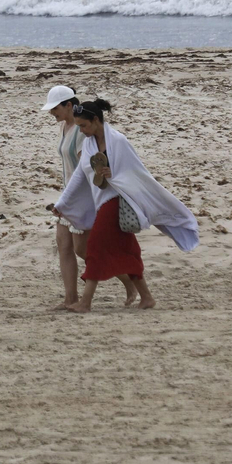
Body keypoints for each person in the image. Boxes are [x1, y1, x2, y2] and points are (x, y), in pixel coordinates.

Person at [53, 98, 200, 312]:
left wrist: (115, 174)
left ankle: (85, 302)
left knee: (94, 247)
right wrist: (62, 204)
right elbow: (79, 175)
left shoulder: (118, 141)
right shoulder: (89, 143)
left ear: (95, 120)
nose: (82, 130)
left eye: (84, 125)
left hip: (118, 202)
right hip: (102, 203)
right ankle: (146, 297)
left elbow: (135, 172)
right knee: (126, 250)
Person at [42, 85, 137, 308]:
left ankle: (131, 282)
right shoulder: (66, 126)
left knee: (83, 250)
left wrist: (66, 199)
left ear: (68, 105)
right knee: (63, 245)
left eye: (54, 108)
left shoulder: (81, 130)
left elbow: (84, 170)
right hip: (68, 194)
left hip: (82, 198)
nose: (51, 113)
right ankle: (70, 298)